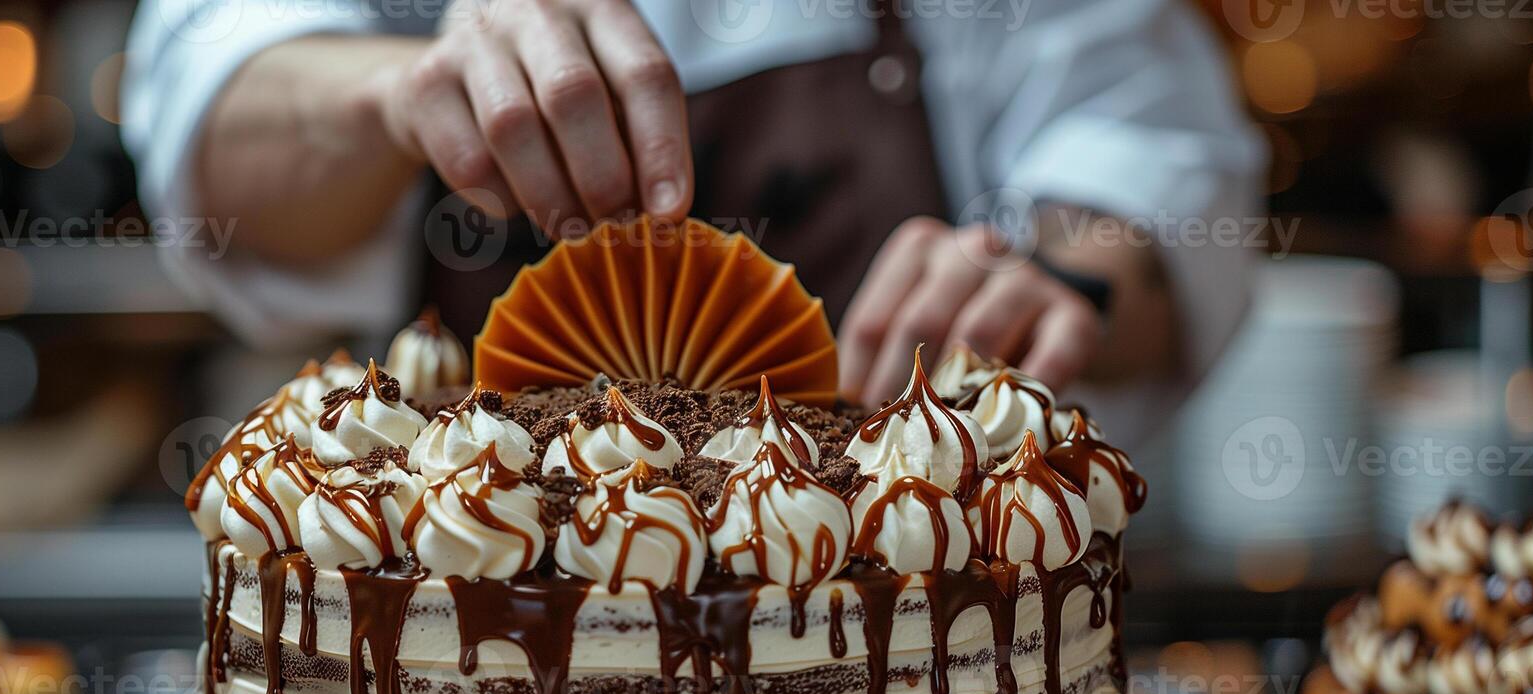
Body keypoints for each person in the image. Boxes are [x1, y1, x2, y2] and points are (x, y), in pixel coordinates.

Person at [123, 0, 1263, 432]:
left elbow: (1139, 152)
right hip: (497, 648)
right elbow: (211, 119)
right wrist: (396, 87)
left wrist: (1064, 280)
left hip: (891, 626)